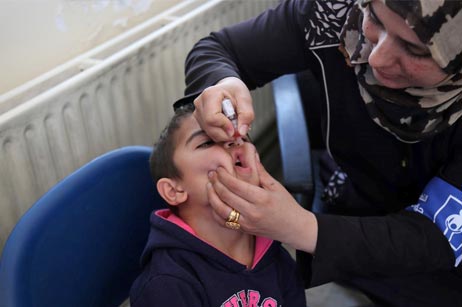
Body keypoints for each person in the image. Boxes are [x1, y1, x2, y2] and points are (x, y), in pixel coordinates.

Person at [180, 0, 462, 306]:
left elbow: (434, 238)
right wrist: (223, 83)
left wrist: (297, 226)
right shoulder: (331, 14)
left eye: (416, 49)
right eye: (375, 21)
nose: (377, 58)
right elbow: (218, 49)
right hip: (350, 207)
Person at [129, 102, 306, 307]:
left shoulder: (275, 253)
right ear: (174, 190)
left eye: (241, 137)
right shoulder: (166, 286)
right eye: (206, 142)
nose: (235, 142)